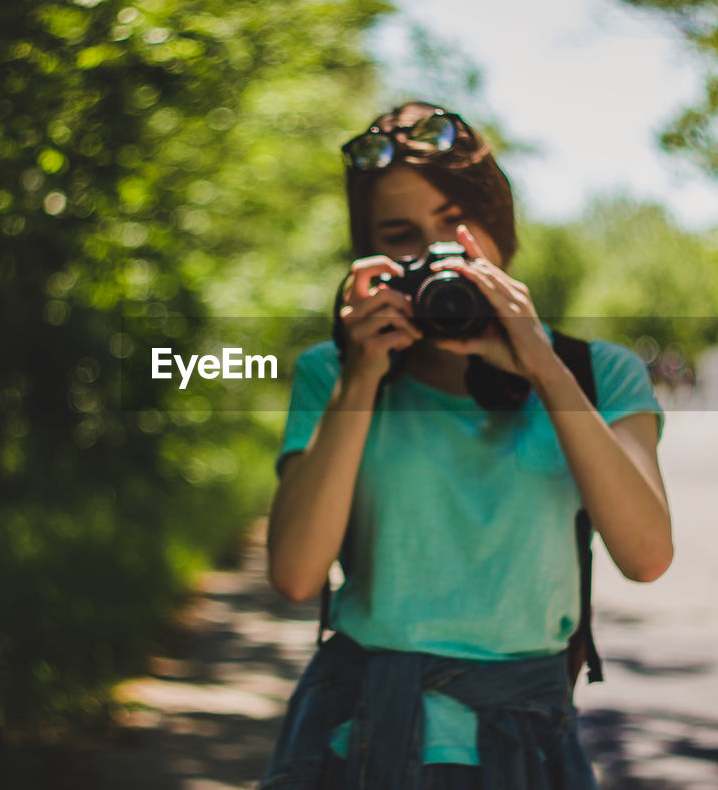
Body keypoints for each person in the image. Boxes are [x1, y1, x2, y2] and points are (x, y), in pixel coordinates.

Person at [260, 101, 672, 790]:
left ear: (500, 230)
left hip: (521, 744)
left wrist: (543, 365)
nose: (436, 251)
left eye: (456, 223)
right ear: (371, 260)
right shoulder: (334, 372)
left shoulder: (599, 373)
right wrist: (361, 375)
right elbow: (297, 575)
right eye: (401, 235)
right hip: (360, 742)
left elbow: (648, 554)